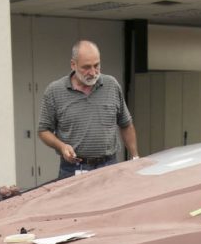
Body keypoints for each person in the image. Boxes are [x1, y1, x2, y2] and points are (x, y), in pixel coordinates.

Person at [37, 40, 139, 180]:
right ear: (73, 65)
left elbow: (126, 124)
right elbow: (43, 130)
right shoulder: (55, 91)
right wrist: (61, 146)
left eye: (96, 65)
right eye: (86, 67)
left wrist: (135, 158)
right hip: (74, 169)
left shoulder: (111, 85)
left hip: (109, 166)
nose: (93, 72)